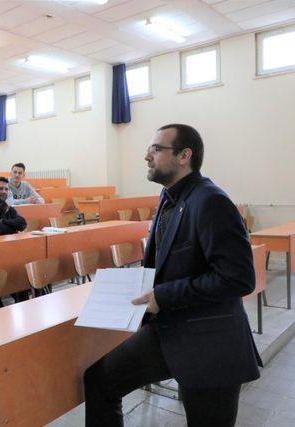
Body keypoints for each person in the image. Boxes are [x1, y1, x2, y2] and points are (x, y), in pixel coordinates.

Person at [83, 124, 261, 427]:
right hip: (170, 327)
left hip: (209, 340)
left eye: (156, 149)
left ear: (183, 155)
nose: (146, 156)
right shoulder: (169, 196)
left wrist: (163, 295)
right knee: (99, 379)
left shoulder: (210, 200)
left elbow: (238, 278)